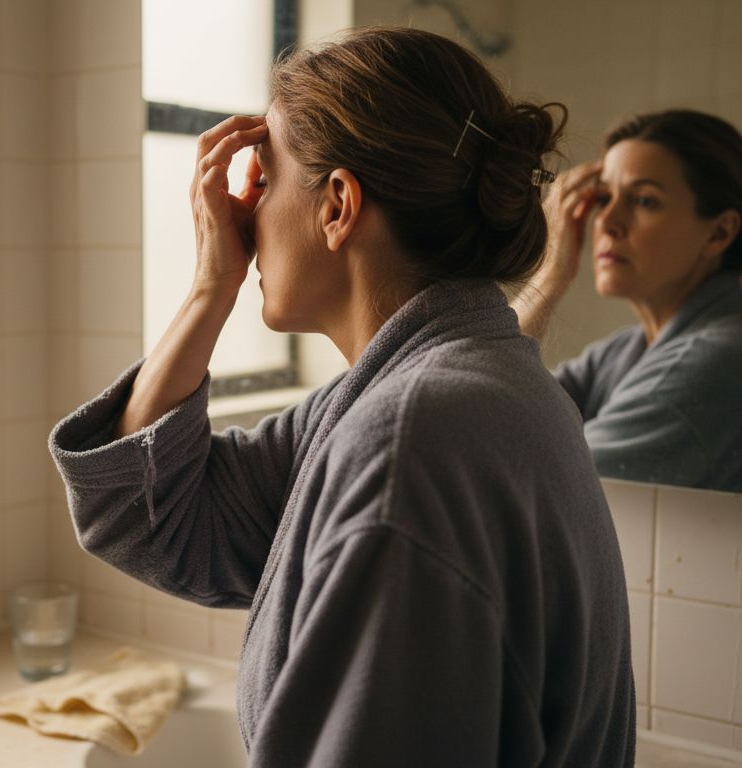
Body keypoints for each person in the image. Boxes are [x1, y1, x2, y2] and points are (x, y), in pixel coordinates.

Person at [49, 26, 635, 766]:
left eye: (261, 177)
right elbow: (148, 516)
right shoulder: (444, 388)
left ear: (337, 206)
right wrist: (210, 288)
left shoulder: (409, 441)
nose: (243, 213)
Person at [513, 110, 742, 495]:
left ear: (719, 232)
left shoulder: (721, 363)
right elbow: (484, 412)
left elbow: (526, 482)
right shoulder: (625, 351)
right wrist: (551, 273)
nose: (608, 221)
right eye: (603, 197)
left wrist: (549, 273)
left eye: (644, 200)